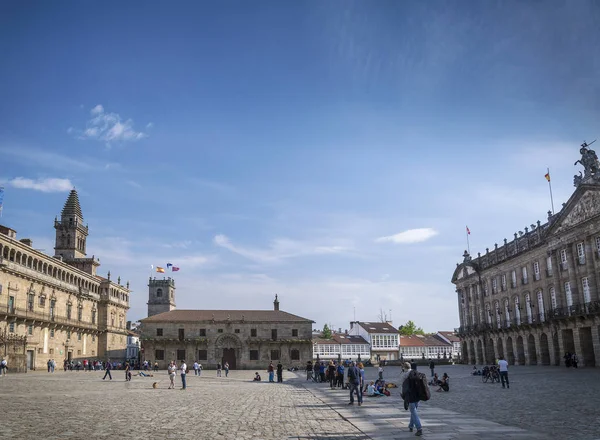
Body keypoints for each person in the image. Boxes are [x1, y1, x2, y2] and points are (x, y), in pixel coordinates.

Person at [402, 363, 425, 436]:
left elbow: (403, 386)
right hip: (417, 395)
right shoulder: (416, 372)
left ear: (404, 368)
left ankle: (419, 428)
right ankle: (411, 426)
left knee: (414, 412)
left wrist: (404, 396)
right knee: (413, 410)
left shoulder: (405, 375)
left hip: (410, 396)